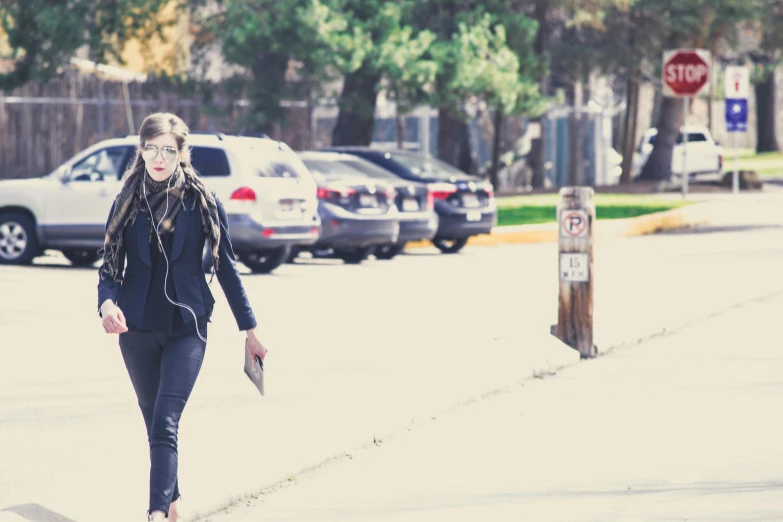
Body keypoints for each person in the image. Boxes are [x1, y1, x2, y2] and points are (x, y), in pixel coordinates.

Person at [97, 112, 267, 522]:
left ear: (181, 153)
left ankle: (155, 514)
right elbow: (109, 270)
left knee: (165, 420)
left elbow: (226, 268)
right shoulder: (127, 201)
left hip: (187, 328)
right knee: (154, 421)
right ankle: (172, 506)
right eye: (151, 149)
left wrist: (251, 331)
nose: (159, 158)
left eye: (168, 150)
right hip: (135, 329)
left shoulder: (202, 202)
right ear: (141, 151)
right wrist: (107, 305)